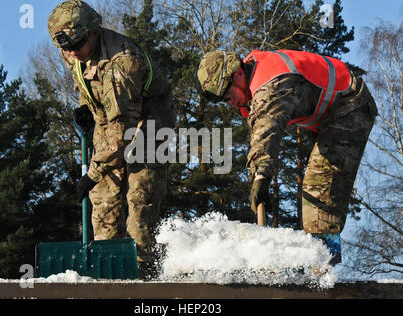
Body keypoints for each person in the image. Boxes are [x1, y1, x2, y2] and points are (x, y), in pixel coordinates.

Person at [195, 49, 377, 264]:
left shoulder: (270, 82)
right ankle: (318, 261)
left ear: (237, 75)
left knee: (321, 186)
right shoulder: (253, 87)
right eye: (224, 101)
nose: (230, 103)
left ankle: (322, 268)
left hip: (349, 106)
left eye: (228, 96)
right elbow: (259, 136)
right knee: (314, 183)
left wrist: (262, 177)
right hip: (327, 112)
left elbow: (267, 130)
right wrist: (257, 175)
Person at [48, 0, 175, 277]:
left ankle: (143, 273)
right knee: (104, 197)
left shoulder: (121, 63)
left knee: (140, 198)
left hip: (150, 123)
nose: (72, 53)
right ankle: (106, 272)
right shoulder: (72, 49)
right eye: (66, 48)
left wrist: (91, 173)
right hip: (110, 117)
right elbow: (84, 81)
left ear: (93, 32)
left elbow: (123, 132)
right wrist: (85, 107)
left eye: (76, 45)